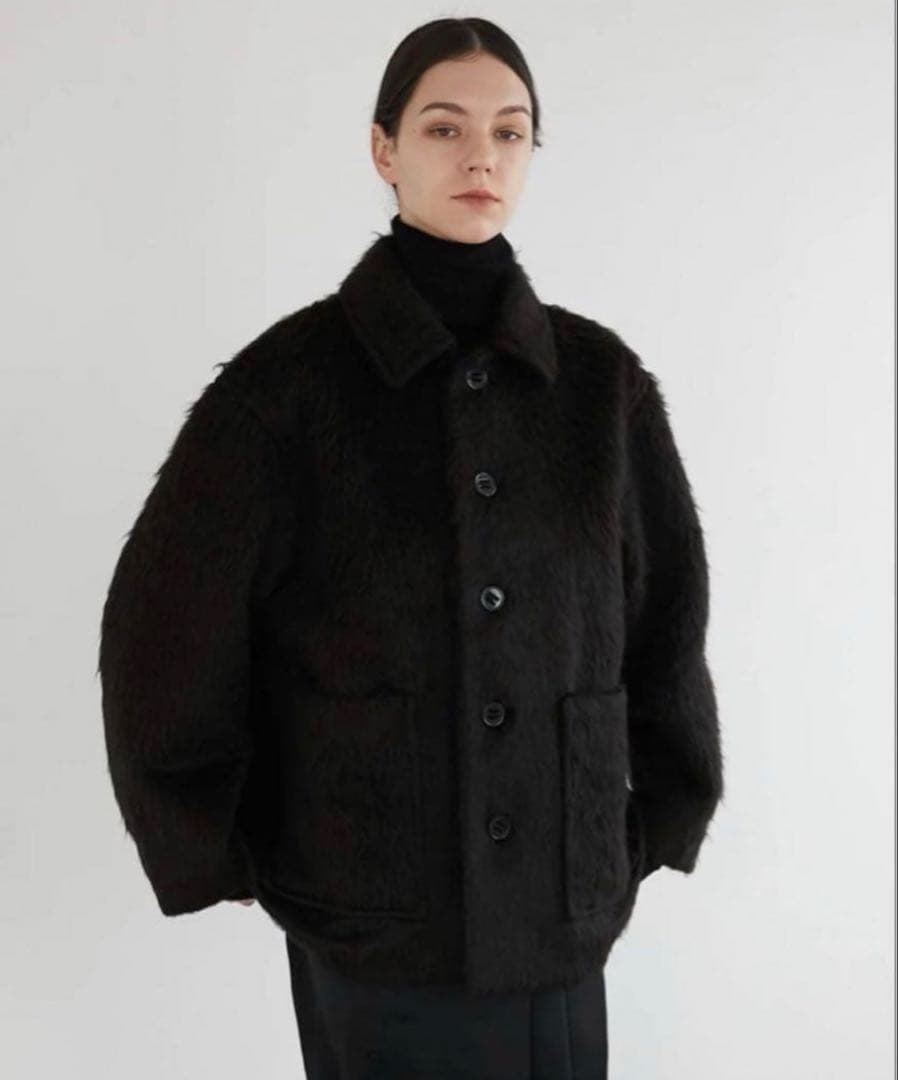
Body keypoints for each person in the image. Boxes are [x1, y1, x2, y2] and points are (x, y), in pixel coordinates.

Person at [98, 16, 724, 1080]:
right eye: (444, 128)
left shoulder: (599, 387)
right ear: (383, 149)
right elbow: (165, 628)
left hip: (561, 903)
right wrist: (218, 839)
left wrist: (657, 810)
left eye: (509, 131)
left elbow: (665, 618)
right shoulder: (287, 388)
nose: (481, 156)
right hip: (370, 905)